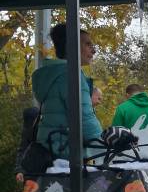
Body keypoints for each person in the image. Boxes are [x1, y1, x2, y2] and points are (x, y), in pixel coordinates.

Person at [31, 24, 102, 158]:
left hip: (49, 149)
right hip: (65, 155)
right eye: (88, 44)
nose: (94, 51)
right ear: (72, 46)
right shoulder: (71, 75)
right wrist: (105, 143)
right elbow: (84, 118)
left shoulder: (53, 75)